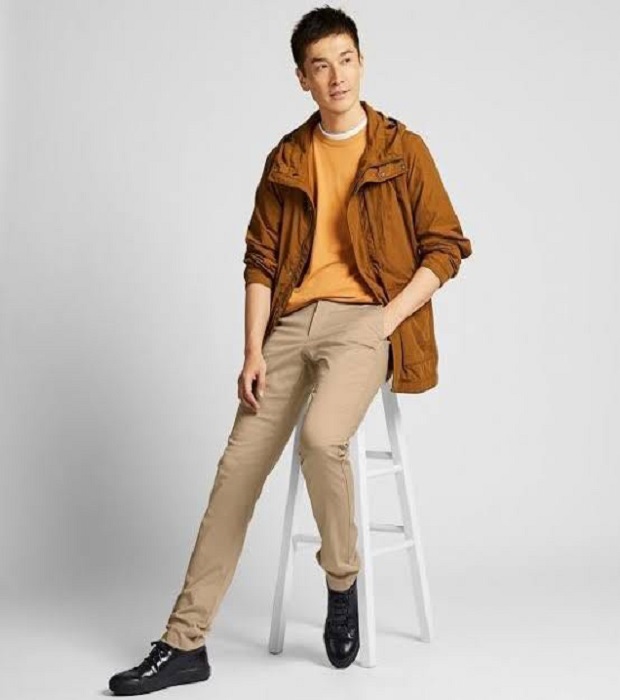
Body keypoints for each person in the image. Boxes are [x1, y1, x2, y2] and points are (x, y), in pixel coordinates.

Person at [108, 5, 472, 695]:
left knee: (321, 440)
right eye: (320, 66)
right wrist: (252, 349)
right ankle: (184, 643)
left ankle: (341, 580)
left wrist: (386, 321)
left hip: (365, 320)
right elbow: (261, 261)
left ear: (362, 61)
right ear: (302, 79)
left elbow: (445, 247)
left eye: (346, 60)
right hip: (290, 325)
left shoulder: (403, 149)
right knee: (235, 472)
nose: (337, 77)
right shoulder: (288, 157)